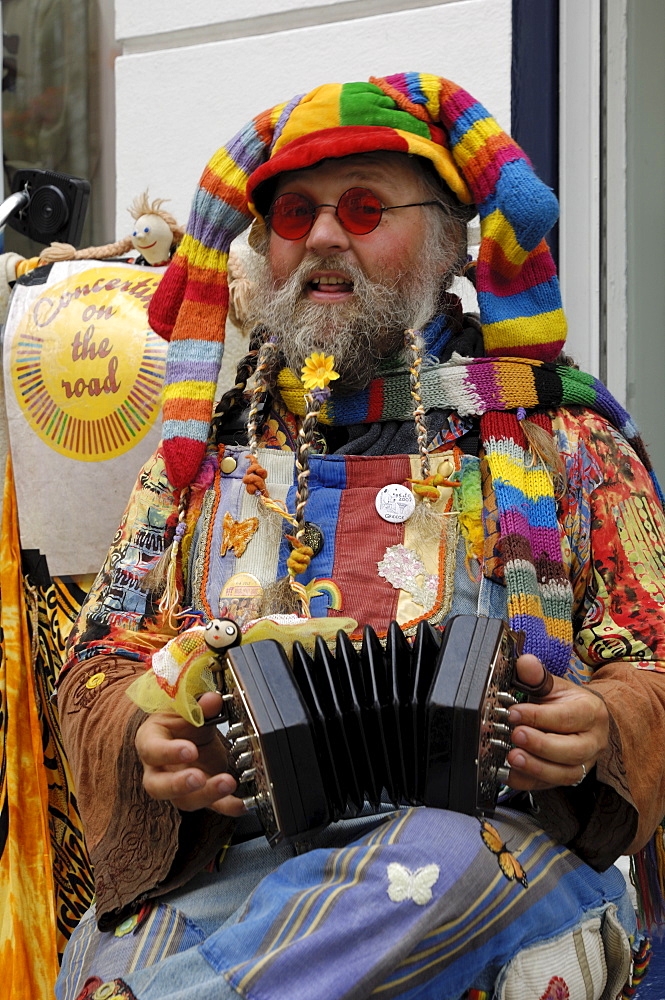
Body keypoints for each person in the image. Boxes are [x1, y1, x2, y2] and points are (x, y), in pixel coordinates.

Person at [55, 73, 665, 1000]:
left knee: (428, 860)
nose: (327, 237)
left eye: (367, 206)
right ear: (259, 243)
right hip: (245, 868)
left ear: (452, 238)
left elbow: (655, 656)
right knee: (115, 963)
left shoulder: (558, 439)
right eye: (294, 213)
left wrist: (605, 727)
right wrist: (149, 740)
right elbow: (99, 657)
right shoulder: (204, 460)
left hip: (486, 856)